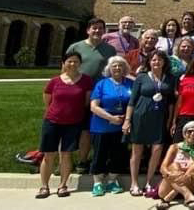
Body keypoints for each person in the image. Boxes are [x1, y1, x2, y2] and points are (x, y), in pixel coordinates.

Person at [36, 51, 93, 199]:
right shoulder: (54, 81)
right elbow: (48, 101)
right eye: (70, 61)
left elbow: (86, 102)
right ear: (64, 63)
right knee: (48, 155)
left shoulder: (86, 81)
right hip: (52, 121)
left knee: (66, 154)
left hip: (73, 123)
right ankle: (44, 186)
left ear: (80, 64)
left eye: (76, 61)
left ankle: (63, 185)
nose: (73, 64)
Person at [64, 17, 115, 172]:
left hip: (97, 94)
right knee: (68, 128)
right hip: (75, 91)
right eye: (94, 28)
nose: (97, 31)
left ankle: (82, 161)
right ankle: (64, 161)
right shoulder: (75, 47)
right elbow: (65, 67)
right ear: (88, 30)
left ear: (104, 31)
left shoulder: (109, 50)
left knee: (87, 129)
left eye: (100, 28)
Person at [125, 49, 176, 198]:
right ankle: (134, 183)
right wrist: (127, 120)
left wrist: (170, 120)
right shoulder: (141, 77)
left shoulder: (170, 79)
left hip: (160, 117)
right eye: (153, 60)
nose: (156, 62)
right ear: (149, 62)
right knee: (137, 150)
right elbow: (132, 100)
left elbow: (172, 102)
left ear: (164, 62)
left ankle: (148, 181)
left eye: (160, 60)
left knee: (157, 149)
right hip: (140, 116)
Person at [89, 56, 133, 196]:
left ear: (125, 68)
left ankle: (112, 181)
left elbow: (133, 104)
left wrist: (126, 119)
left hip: (122, 124)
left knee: (118, 153)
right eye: (114, 65)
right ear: (109, 68)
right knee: (100, 153)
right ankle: (97, 182)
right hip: (102, 124)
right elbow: (94, 106)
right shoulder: (102, 84)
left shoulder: (130, 84)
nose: (117, 68)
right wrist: (111, 118)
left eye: (120, 65)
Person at [156, 120, 194, 210]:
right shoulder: (174, 147)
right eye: (190, 131)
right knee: (174, 166)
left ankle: (170, 197)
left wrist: (189, 176)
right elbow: (163, 167)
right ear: (184, 134)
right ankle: (188, 196)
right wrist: (170, 174)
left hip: (191, 184)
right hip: (168, 188)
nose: (193, 134)